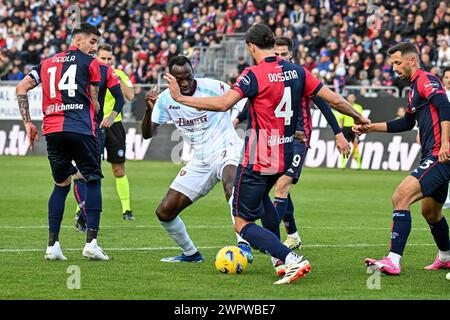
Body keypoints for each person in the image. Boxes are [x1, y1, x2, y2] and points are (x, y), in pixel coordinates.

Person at [164, 24, 369, 284]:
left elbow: (223, 103)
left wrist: (181, 99)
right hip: (283, 154)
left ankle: (291, 259)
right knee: (264, 202)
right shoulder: (298, 72)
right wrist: (359, 117)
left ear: (251, 46)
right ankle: (280, 260)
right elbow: (335, 100)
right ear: (273, 44)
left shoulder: (253, 74)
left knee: (242, 223)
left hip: (259, 157)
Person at [232, 36, 350, 272]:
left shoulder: (297, 75)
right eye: (278, 53)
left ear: (291, 55)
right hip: (274, 141)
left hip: (298, 139)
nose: (281, 57)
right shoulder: (273, 76)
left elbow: (326, 102)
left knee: (281, 187)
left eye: (285, 54)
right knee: (270, 192)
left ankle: (284, 254)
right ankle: (289, 240)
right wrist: (237, 119)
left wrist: (338, 132)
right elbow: (254, 104)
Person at [142, 55, 253, 263]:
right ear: (170, 78)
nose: (185, 83)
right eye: (179, 79)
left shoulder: (213, 86)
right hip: (201, 159)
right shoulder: (165, 99)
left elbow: (244, 102)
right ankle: (191, 254)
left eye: (189, 77)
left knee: (232, 187)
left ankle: (243, 245)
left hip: (228, 148)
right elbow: (148, 133)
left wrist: (235, 119)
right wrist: (149, 111)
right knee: (164, 212)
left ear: (194, 73)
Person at [15, 22, 110, 260]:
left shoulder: (46, 63)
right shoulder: (92, 64)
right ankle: (91, 243)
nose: (94, 47)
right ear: (78, 40)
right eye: (92, 41)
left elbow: (21, 87)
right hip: (80, 129)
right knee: (93, 179)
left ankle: (53, 246)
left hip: (53, 131)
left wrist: (28, 122)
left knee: (60, 184)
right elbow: (95, 103)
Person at [354, 42, 450, 275]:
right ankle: (446, 257)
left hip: (440, 153)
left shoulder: (427, 80)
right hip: (431, 154)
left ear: (412, 61)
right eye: (392, 63)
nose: (394, 68)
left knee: (400, 196)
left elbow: (445, 107)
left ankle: (393, 260)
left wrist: (446, 142)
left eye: (397, 62)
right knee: (430, 212)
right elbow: (406, 123)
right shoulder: (413, 90)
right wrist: (371, 127)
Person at [74, 44, 135, 233]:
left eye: (110, 59)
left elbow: (130, 96)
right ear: (96, 58)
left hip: (114, 125)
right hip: (93, 125)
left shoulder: (119, 74)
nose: (107, 62)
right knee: (88, 169)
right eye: (103, 59)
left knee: (118, 169)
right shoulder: (89, 72)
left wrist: (115, 76)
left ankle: (126, 209)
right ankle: (80, 211)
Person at [334, 93, 363, 169]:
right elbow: (341, 119)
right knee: (344, 147)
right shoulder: (345, 106)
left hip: (355, 128)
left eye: (352, 97)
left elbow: (360, 118)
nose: (351, 99)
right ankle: (343, 164)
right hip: (346, 128)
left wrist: (360, 128)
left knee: (356, 146)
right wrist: (340, 130)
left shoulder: (358, 107)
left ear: (354, 98)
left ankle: (358, 165)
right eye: (350, 97)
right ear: (347, 98)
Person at [442, 67, 450, 209]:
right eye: (447, 77)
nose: (449, 80)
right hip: (443, 136)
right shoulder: (439, 94)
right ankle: (446, 198)